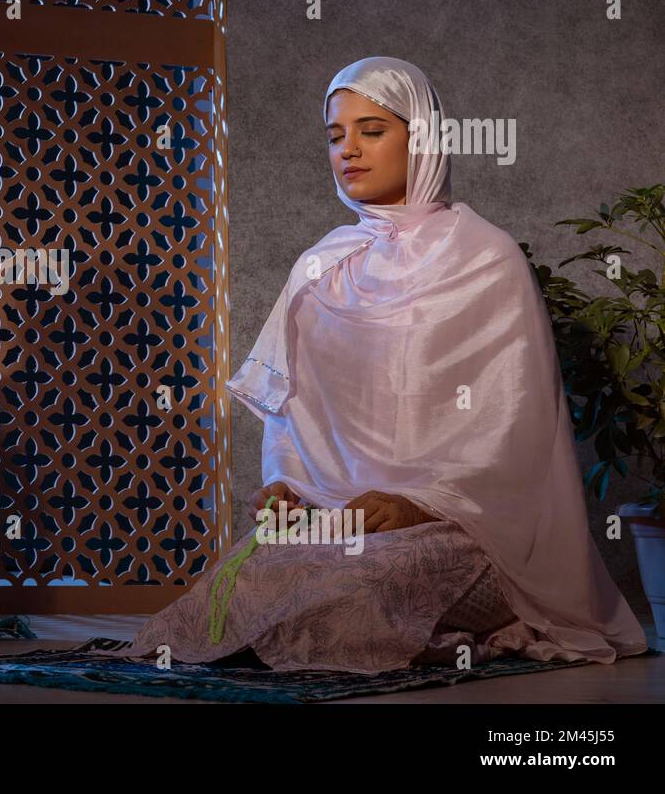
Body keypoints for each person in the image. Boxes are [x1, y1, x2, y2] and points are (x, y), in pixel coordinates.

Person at [115, 57, 648, 673]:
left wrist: (419, 504)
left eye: (372, 130)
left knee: (354, 592)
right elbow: (297, 419)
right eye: (336, 135)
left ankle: (476, 622)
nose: (349, 150)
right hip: (339, 519)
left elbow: (517, 436)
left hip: (469, 529)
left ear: (420, 136)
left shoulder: (486, 257)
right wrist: (291, 488)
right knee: (227, 593)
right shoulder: (325, 265)